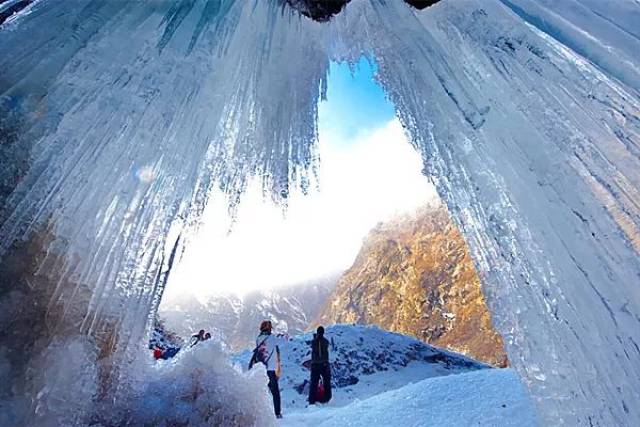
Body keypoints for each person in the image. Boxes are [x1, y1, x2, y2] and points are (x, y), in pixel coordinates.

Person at [250, 320, 288, 419]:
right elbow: (285, 338)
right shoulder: (272, 338)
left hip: (262, 370)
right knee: (275, 393)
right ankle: (277, 413)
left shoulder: (258, 339)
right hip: (271, 370)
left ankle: (260, 414)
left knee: (262, 393)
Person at [308, 325, 332, 405]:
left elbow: (313, 344)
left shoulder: (313, 342)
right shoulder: (326, 341)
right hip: (324, 364)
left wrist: (315, 337)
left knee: (314, 382)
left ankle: (312, 400)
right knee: (326, 381)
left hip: (315, 364)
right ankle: (327, 397)